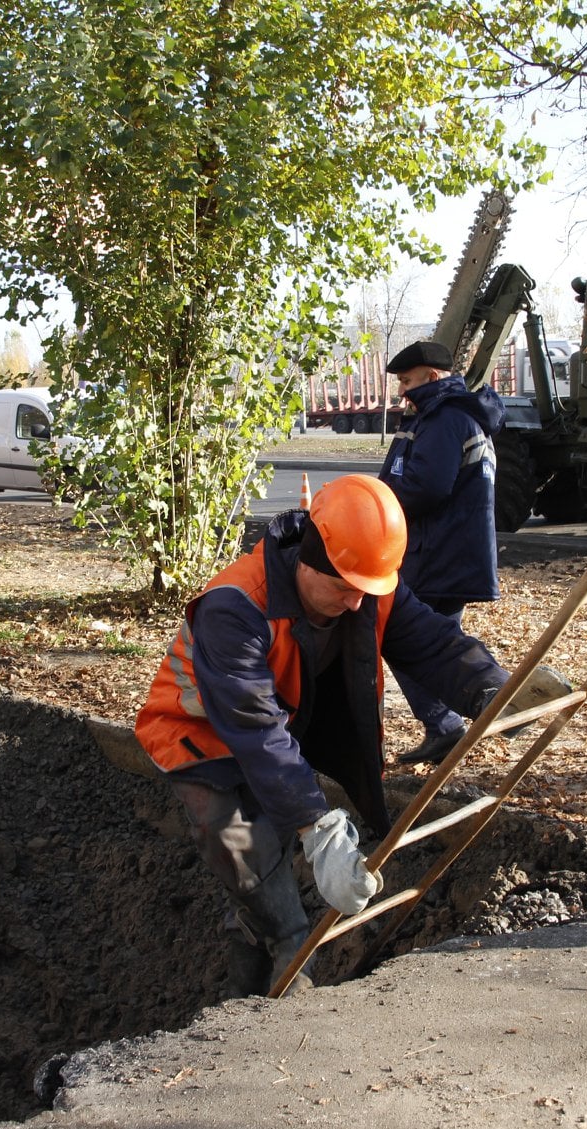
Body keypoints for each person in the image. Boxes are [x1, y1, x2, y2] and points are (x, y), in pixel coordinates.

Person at [135, 475, 520, 997]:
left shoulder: (363, 585)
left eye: (368, 589)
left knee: (262, 894)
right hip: (201, 742)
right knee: (274, 900)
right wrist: (317, 828)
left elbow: (431, 641)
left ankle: (240, 1003)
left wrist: (492, 688)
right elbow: (255, 731)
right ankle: (277, 1034)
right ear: (308, 561)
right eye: (345, 588)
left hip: (276, 731)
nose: (358, 604)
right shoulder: (235, 606)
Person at [377, 339, 506, 765]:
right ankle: (456, 716)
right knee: (435, 639)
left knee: (406, 639)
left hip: (435, 554)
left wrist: (375, 503)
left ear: (433, 377)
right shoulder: (451, 415)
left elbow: (425, 488)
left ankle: (471, 708)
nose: (403, 392)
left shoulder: (446, 418)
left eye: (408, 381)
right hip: (447, 553)